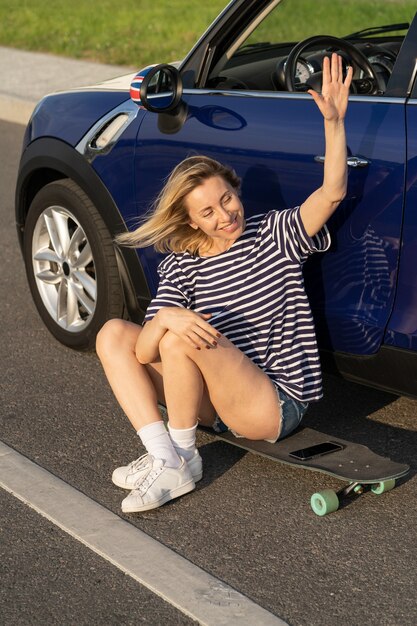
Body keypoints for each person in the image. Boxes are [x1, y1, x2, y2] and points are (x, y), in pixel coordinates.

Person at [96, 53, 353, 513]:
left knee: (180, 338)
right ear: (191, 222)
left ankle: (179, 460)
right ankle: (166, 454)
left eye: (227, 198)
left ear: (235, 190)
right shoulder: (184, 263)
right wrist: (170, 316)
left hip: (272, 401)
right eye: (208, 212)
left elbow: (331, 192)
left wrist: (334, 123)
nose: (226, 215)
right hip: (214, 397)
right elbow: (141, 354)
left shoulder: (274, 234)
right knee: (115, 333)